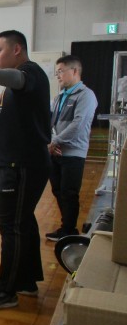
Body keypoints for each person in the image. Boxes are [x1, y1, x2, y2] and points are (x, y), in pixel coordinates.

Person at [0, 29, 51, 310]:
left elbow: (19, 80)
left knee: (11, 227)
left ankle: (5, 291)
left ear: (17, 49)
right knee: (23, 222)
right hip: (16, 164)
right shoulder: (15, 86)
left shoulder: (30, 72)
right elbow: (16, 115)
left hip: (21, 165)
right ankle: (26, 280)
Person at [46, 55, 98, 241]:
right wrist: (52, 142)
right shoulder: (59, 97)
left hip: (73, 153)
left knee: (69, 192)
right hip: (55, 151)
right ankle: (66, 226)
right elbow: (50, 123)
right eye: (56, 72)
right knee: (58, 190)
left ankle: (69, 230)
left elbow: (78, 125)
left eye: (61, 71)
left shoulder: (86, 95)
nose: (58, 76)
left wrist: (55, 142)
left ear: (74, 71)